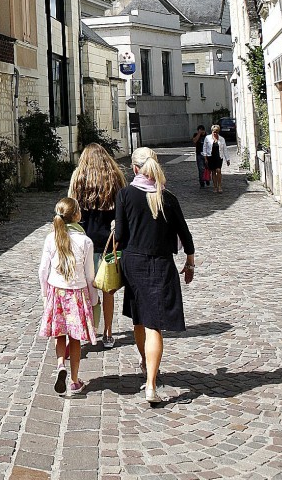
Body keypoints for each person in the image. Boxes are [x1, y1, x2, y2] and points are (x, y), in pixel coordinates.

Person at [115, 147, 195, 406]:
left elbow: (119, 236)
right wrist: (190, 262)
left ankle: (145, 364)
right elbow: (185, 234)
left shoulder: (125, 195)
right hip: (161, 263)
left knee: (140, 317)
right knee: (153, 324)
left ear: (135, 169)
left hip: (133, 263)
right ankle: (151, 383)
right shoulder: (167, 198)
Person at [38, 196, 98, 397]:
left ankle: (60, 364)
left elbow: (42, 270)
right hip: (77, 294)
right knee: (75, 338)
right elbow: (90, 274)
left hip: (56, 291)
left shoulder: (51, 238)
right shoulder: (85, 241)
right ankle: (73, 380)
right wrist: (93, 298)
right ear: (76, 215)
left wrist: (45, 294)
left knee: (59, 333)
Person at [68, 143, 126, 349]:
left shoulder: (78, 178)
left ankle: (89, 327)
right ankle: (108, 332)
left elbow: (70, 208)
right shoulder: (115, 178)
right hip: (108, 241)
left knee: (85, 288)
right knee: (107, 288)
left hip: (83, 240)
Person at [204, 124, 230, 193]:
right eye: (214, 132)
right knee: (213, 172)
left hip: (219, 157)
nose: (215, 133)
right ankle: (215, 186)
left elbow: (225, 149)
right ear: (212, 131)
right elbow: (205, 148)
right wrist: (205, 158)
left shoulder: (222, 139)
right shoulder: (207, 138)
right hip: (211, 157)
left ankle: (220, 186)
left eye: (217, 132)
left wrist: (227, 159)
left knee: (218, 170)